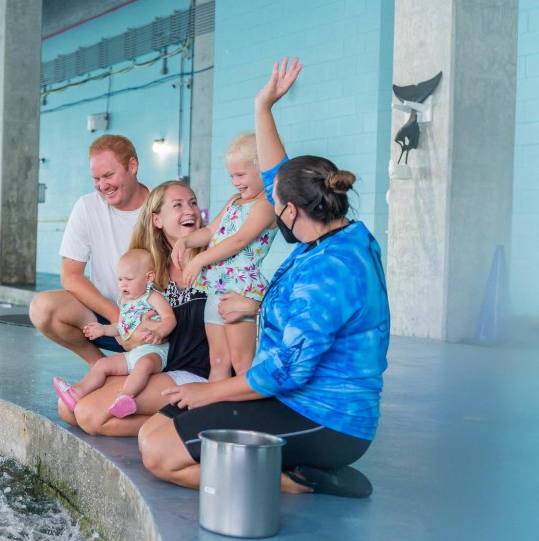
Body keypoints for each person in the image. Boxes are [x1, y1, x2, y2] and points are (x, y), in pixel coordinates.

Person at [138, 57, 391, 498]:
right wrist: (263, 108)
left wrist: (211, 394)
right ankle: (288, 470)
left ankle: (299, 482)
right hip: (292, 395)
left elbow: (284, 371)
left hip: (322, 417)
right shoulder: (340, 234)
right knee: (155, 426)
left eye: (276, 204)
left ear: (291, 211)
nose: (272, 208)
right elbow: (281, 176)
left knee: (159, 453)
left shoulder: (329, 270)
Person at [60, 181, 225, 436]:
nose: (190, 211)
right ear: (157, 220)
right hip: (160, 364)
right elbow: (130, 332)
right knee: (67, 408)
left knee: (90, 415)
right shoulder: (150, 271)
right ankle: (170, 415)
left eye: (192, 203)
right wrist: (141, 331)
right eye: (178, 205)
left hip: (195, 373)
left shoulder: (213, 262)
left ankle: (193, 420)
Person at [29, 135, 151, 366]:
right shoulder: (87, 207)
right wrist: (118, 318)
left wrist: (147, 321)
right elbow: (71, 275)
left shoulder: (160, 205)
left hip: (153, 320)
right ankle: (101, 368)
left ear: (132, 166)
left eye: (108, 175)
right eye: (96, 178)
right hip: (108, 320)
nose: (102, 185)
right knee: (43, 308)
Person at [170, 133, 277, 380]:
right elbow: (209, 231)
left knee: (241, 363)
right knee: (217, 360)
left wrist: (199, 259)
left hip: (240, 289)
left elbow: (238, 241)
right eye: (231, 176)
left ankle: (245, 413)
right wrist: (185, 241)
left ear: (262, 169)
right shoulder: (234, 201)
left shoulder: (265, 206)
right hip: (216, 287)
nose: (235, 182)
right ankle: (213, 411)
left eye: (241, 175)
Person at [53, 249, 176, 419]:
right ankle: (77, 392)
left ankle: (125, 397)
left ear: (148, 278)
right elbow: (122, 327)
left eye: (129, 279)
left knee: (144, 365)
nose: (123, 284)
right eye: (120, 279)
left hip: (155, 351)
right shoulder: (125, 302)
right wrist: (102, 330)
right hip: (132, 353)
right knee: (102, 364)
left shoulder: (153, 297)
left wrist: (159, 331)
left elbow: (170, 318)